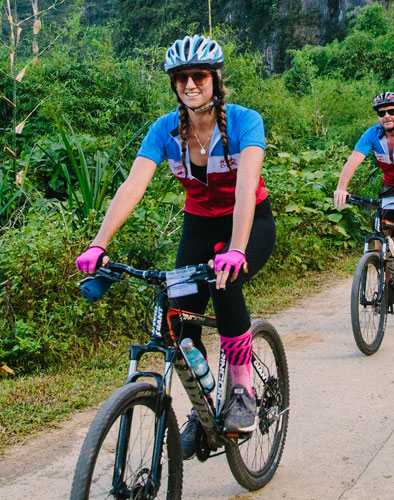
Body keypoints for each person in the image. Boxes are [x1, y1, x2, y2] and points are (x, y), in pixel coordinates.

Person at [73, 35, 274, 439]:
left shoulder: (244, 121)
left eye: (199, 75)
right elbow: (133, 185)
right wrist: (99, 243)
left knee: (226, 283)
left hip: (249, 222)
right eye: (181, 78)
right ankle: (202, 409)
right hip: (198, 225)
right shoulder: (164, 131)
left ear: (216, 79)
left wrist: (235, 250)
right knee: (177, 321)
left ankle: (241, 391)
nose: (190, 85)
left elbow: (245, 186)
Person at [333, 91, 394, 270]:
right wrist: (341, 188)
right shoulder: (372, 134)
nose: (386, 116)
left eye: (391, 111)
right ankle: (385, 285)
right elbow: (353, 160)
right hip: (390, 187)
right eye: (381, 113)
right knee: (380, 239)